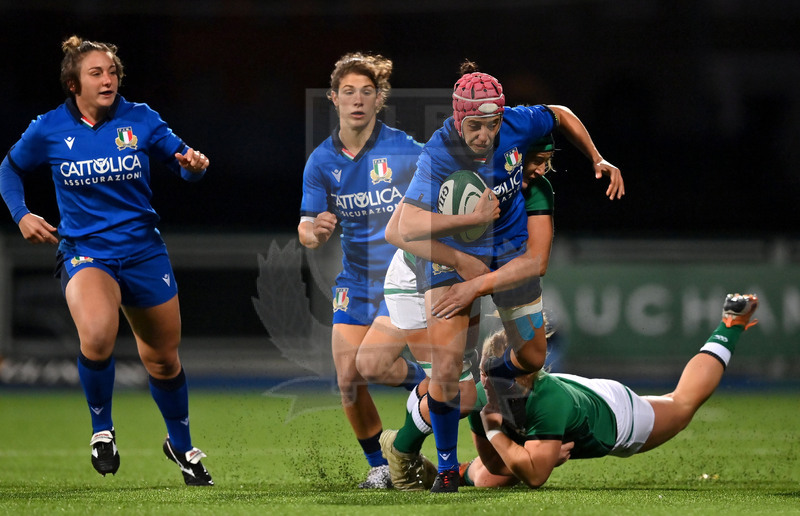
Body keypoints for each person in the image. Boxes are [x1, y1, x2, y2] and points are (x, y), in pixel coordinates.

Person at [395, 61, 624, 492]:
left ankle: (492, 380)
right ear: (459, 119)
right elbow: (405, 228)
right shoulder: (439, 152)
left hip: (507, 250)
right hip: (454, 255)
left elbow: (560, 112)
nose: (486, 135)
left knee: (535, 357)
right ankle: (446, 469)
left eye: (493, 124)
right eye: (476, 126)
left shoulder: (519, 125)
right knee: (447, 370)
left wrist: (596, 157)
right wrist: (465, 241)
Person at [0, 36, 212, 485]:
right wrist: (21, 214)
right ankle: (102, 430)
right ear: (73, 83)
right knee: (97, 335)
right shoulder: (49, 128)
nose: (108, 79)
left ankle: (180, 444)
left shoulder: (141, 119)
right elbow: (10, 168)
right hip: (86, 251)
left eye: (112, 72)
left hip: (143, 251)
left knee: (163, 361)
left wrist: (192, 167)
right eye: (96, 73)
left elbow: (181, 163)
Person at [375, 135, 559, 490]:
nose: (542, 169)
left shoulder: (529, 191)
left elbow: (535, 259)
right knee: (448, 380)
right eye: (536, 160)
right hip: (417, 276)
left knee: (465, 394)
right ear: (514, 156)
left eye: (548, 161)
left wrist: (475, 280)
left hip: (456, 279)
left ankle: (402, 443)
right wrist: (462, 249)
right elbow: (396, 231)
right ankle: (417, 460)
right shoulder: (456, 174)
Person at [462, 293, 759, 489]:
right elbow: (496, 465)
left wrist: (493, 431)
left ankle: (730, 324)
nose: (491, 385)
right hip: (572, 397)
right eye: (489, 376)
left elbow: (536, 477)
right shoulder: (482, 395)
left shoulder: (547, 401)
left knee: (681, 404)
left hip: (613, 413)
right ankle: (451, 471)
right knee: (489, 480)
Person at [297, 52, 427, 488]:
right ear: (333, 99)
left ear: (378, 99)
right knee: (348, 378)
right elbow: (304, 230)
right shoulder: (321, 162)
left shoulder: (403, 149)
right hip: (355, 281)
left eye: (366, 92)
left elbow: (445, 180)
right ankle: (380, 466)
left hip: (402, 278)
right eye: (348, 92)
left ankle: (435, 387)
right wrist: (316, 230)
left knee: (372, 368)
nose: (357, 100)